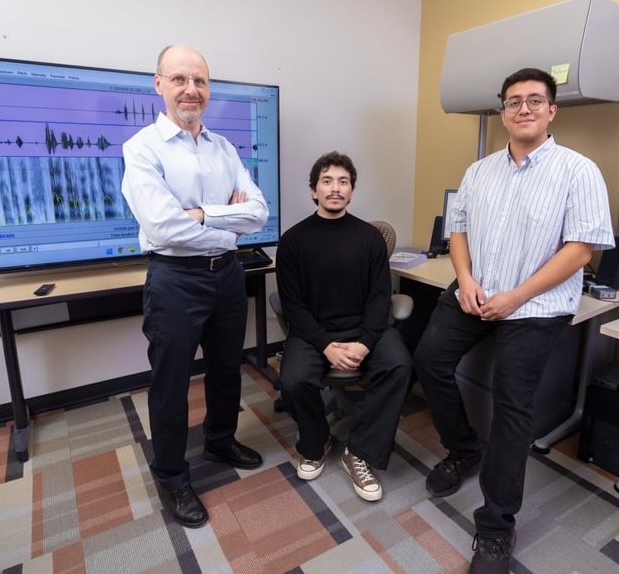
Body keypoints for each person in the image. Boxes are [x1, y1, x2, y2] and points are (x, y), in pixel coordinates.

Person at [413, 68, 615, 573]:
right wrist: (464, 279)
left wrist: (516, 297)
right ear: (502, 112)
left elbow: (580, 250)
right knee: (428, 360)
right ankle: (464, 450)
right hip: (477, 293)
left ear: (552, 111)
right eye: (513, 101)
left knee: (511, 403)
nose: (523, 108)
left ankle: (495, 528)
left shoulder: (578, 171)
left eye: (534, 100)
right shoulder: (479, 171)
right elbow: (458, 231)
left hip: (535, 306)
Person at [121, 45, 269, 528]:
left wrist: (204, 215)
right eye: (180, 79)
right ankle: (171, 475)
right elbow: (163, 227)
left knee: (227, 368)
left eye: (200, 81)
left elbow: (259, 214)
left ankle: (220, 441)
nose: (191, 89)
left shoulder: (224, 148)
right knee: (171, 383)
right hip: (175, 279)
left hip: (227, 274)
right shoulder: (142, 148)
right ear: (159, 84)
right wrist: (229, 222)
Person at [276, 151, 412, 502]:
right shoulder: (293, 241)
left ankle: (360, 451)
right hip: (314, 334)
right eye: (327, 181)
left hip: (365, 330)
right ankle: (317, 440)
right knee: (292, 380)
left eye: (343, 182)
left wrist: (364, 343)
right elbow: (294, 305)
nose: (335, 188)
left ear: (352, 190)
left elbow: (380, 298)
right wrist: (325, 346)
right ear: (313, 190)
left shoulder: (369, 238)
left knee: (400, 365)